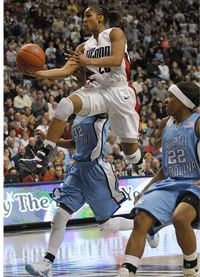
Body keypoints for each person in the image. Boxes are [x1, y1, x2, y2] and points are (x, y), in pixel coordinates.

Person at [24, 114, 158, 277]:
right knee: (59, 216)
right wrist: (51, 138)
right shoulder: (79, 116)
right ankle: (47, 263)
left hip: (97, 171)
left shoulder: (99, 105)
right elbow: (75, 143)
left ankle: (147, 227)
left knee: (106, 225)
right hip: (78, 170)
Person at [18, 5, 145, 177]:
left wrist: (87, 61)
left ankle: (138, 163)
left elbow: (116, 60)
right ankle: (42, 158)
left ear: (100, 18)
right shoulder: (83, 47)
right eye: (83, 17)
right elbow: (65, 71)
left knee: (129, 150)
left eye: (88, 16)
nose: (84, 20)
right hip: (97, 90)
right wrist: (37, 73)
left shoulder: (115, 33)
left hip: (120, 91)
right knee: (65, 105)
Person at [111, 81, 200, 277]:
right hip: (171, 183)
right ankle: (127, 271)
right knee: (140, 218)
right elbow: (165, 167)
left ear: (184, 102)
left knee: (180, 218)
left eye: (171, 97)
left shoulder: (198, 122)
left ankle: (191, 267)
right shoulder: (165, 124)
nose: (166, 100)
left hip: (195, 183)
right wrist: (146, 188)